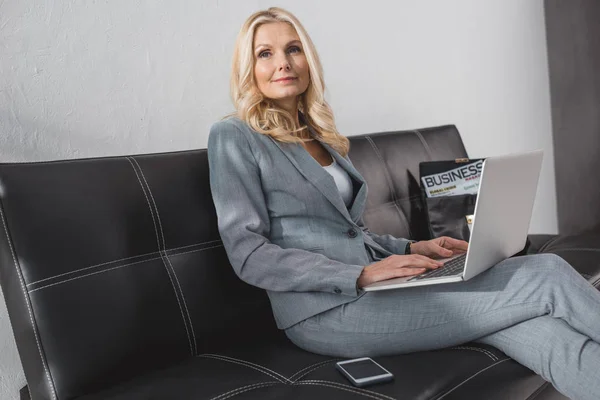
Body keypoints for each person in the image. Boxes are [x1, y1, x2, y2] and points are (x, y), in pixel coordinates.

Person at [207, 7, 600, 400]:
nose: (283, 63)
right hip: (325, 311)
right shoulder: (235, 136)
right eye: (265, 53)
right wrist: (360, 275)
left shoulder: (320, 136)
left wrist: (412, 248)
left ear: (308, 58)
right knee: (546, 273)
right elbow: (248, 253)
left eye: (293, 49)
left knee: (541, 331)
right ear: (248, 68)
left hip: (378, 290)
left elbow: (349, 232)